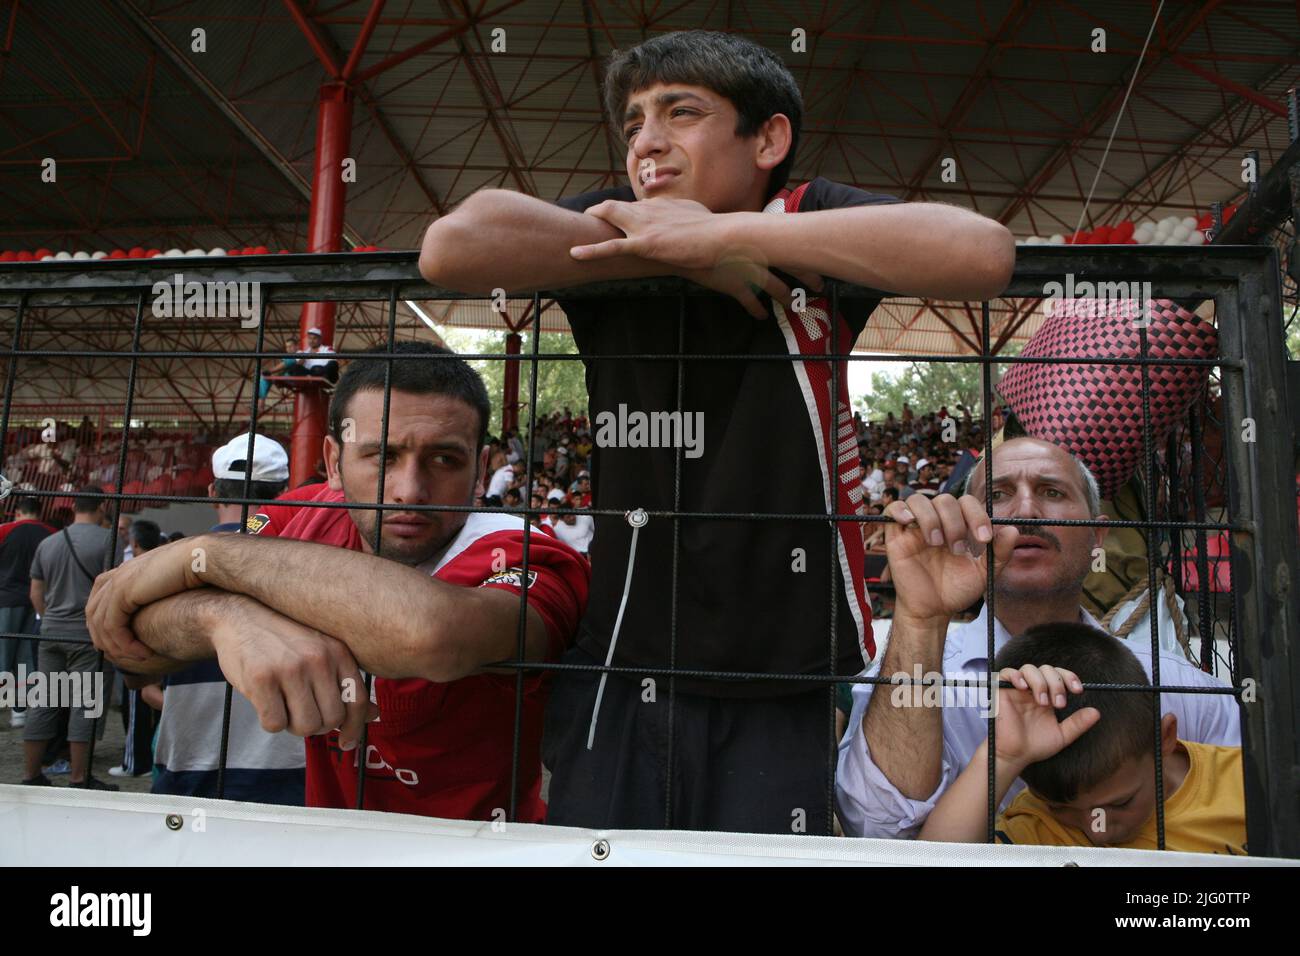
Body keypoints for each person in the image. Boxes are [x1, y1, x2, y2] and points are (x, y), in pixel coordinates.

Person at [419, 29, 1014, 833]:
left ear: (768, 140)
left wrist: (734, 237)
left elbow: (983, 252)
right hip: (621, 666)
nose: (647, 143)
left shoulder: (809, 219)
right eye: (633, 124)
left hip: (780, 677)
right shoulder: (613, 225)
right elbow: (450, 245)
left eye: (681, 113)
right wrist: (673, 254)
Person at [87, 343, 590, 822]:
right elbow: (132, 646)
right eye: (381, 456)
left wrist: (208, 555)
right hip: (328, 846)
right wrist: (225, 616)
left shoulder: (528, 552)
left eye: (444, 459)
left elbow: (432, 634)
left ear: (481, 470)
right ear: (333, 461)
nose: (409, 492)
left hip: (479, 853)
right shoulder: (302, 517)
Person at [835, 436, 1239, 838]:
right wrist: (922, 620)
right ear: (964, 532)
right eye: (998, 493)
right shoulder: (903, 677)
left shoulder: (1176, 683)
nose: (1026, 510)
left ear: (1098, 538)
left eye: (1052, 491)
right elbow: (876, 834)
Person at [919, 623, 1245, 855]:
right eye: (1064, 809)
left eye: (1120, 803)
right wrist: (1002, 757)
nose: (1096, 830)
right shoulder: (1038, 825)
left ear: (1164, 739)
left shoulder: (1245, 785)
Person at [146, 433, 306, 804]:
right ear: (283, 492)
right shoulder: (312, 568)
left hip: (188, 770)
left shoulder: (162, 571)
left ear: (213, 491)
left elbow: (141, 676)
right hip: (286, 773)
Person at [22, 487, 115, 790]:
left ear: (75, 507)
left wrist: (51, 618)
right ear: (101, 506)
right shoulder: (108, 539)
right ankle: (79, 777)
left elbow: (36, 592)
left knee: (44, 700)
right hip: (87, 636)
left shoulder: (48, 542)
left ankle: (31, 775)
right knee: (85, 703)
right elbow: (113, 589)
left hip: (50, 632)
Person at [111, 519, 163, 778]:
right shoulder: (166, 565)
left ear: (134, 543)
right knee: (149, 704)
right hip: (162, 645)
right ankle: (149, 757)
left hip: (136, 645)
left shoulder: (130, 570)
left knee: (135, 707)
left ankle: (134, 763)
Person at [0, 496, 55, 728]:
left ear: (17, 512)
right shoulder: (52, 533)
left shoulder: (4, 531)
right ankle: (19, 711)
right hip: (38, 601)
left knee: (2, 656)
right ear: (39, 512)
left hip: (5, 600)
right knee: (26, 658)